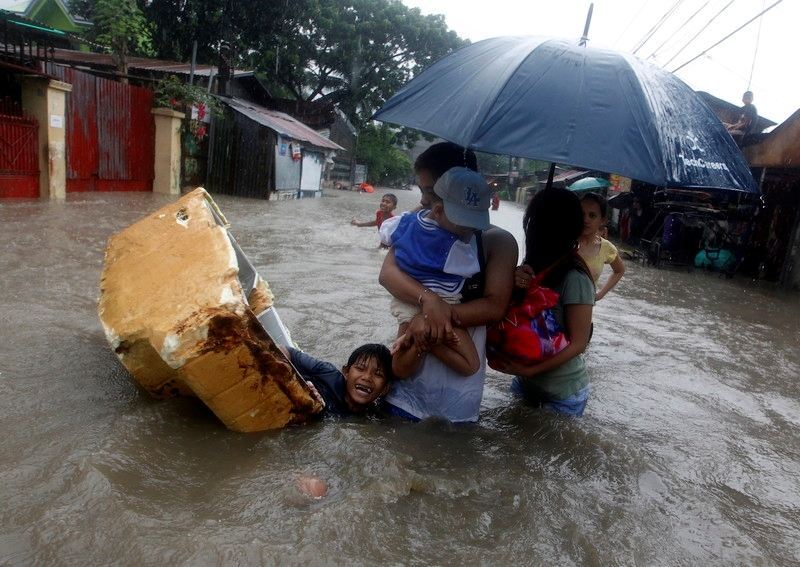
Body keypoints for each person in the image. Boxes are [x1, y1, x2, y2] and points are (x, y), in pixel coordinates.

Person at [378, 142, 518, 423]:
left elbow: (495, 306)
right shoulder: (418, 225)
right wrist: (428, 302)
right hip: (406, 378)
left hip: (457, 392)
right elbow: (387, 275)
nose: (425, 201)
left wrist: (432, 320)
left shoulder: (497, 242)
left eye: (429, 192)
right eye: (423, 191)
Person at [380, 166, 492, 379]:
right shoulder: (457, 247)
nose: (470, 231)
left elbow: (385, 231)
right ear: (439, 211)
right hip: (443, 307)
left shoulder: (404, 223)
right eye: (467, 225)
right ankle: (430, 339)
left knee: (399, 368)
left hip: (405, 302)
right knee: (471, 364)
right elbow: (474, 271)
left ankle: (422, 337)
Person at [491, 188, 595, 416]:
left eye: (533, 221)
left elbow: (579, 344)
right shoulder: (530, 267)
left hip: (563, 392)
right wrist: (512, 284)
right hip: (526, 381)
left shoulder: (576, 278)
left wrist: (530, 370)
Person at [279, 343, 394, 417]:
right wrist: (294, 385)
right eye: (360, 368)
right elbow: (284, 350)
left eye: (378, 374)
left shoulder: (371, 417)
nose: (367, 377)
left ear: (385, 389)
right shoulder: (328, 373)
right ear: (346, 372)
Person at [578, 193, 625, 301]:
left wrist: (600, 294)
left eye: (592, 215)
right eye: (582, 214)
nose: (585, 220)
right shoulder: (564, 241)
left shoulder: (606, 248)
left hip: (586, 306)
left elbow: (619, 271)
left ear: (602, 220)